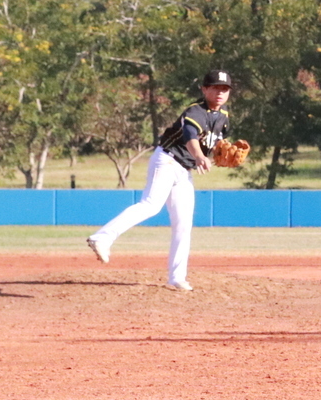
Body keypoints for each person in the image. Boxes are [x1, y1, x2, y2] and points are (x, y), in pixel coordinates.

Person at [85, 70, 236, 292]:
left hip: (184, 170)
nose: (220, 92)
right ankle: (101, 238)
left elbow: (215, 145)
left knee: (183, 223)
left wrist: (222, 154)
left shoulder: (223, 118)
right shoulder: (196, 111)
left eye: (224, 89)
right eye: (215, 87)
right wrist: (200, 156)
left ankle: (177, 277)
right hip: (167, 161)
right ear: (204, 89)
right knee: (150, 205)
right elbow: (190, 137)